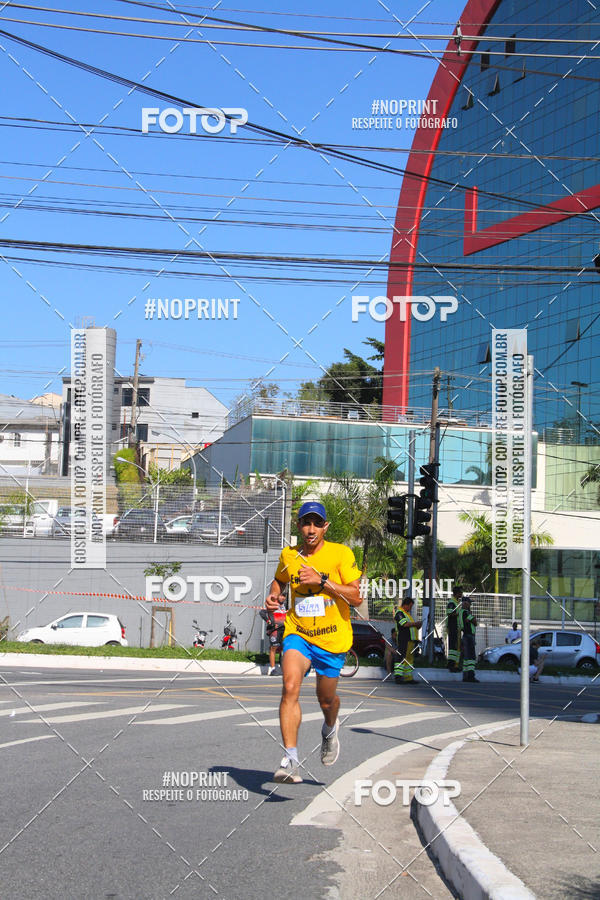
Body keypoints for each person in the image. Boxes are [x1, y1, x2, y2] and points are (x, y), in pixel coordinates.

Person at [264, 501, 361, 783]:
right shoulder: (289, 555)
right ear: (298, 526)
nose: (311, 529)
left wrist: (323, 581)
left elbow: (356, 597)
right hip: (299, 633)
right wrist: (274, 595)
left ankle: (330, 729)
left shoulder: (340, 554)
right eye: (306, 523)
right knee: (289, 686)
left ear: (325, 527)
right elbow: (279, 580)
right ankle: (290, 760)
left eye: (317, 524)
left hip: (332, 639)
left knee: (326, 700)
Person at [394, 598, 422, 684]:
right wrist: (415, 624)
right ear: (406, 604)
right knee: (401, 657)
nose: (410, 608)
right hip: (403, 639)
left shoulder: (407, 614)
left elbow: (411, 626)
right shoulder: (399, 613)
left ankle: (408, 678)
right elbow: (404, 624)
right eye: (410, 606)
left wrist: (417, 625)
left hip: (410, 640)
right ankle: (398, 677)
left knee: (409, 659)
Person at [459, 595, 479, 682]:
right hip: (469, 636)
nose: (470, 604)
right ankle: (471, 676)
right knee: (471, 657)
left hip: (465, 635)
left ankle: (465, 676)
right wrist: (472, 617)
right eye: (469, 602)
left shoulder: (461, 612)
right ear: (465, 603)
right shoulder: (465, 612)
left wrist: (472, 618)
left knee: (466, 657)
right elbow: (475, 622)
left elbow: (472, 621)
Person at [446, 585, 463, 672]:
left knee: (456, 647)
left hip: (457, 628)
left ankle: (454, 664)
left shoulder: (456, 602)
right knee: (453, 646)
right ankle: (452, 665)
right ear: (456, 593)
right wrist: (459, 613)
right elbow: (450, 613)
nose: (462, 594)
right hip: (453, 627)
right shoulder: (452, 603)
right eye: (460, 592)